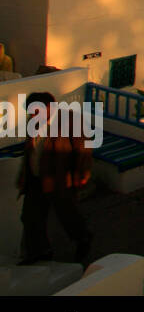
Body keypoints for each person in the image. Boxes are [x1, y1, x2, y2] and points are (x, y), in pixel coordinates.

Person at [17, 92, 94, 265]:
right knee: (30, 217)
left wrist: (83, 173)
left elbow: (84, 149)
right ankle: (40, 252)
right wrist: (23, 174)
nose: (33, 115)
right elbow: (30, 150)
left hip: (60, 179)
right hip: (36, 179)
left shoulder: (71, 121)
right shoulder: (33, 122)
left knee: (68, 214)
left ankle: (82, 239)